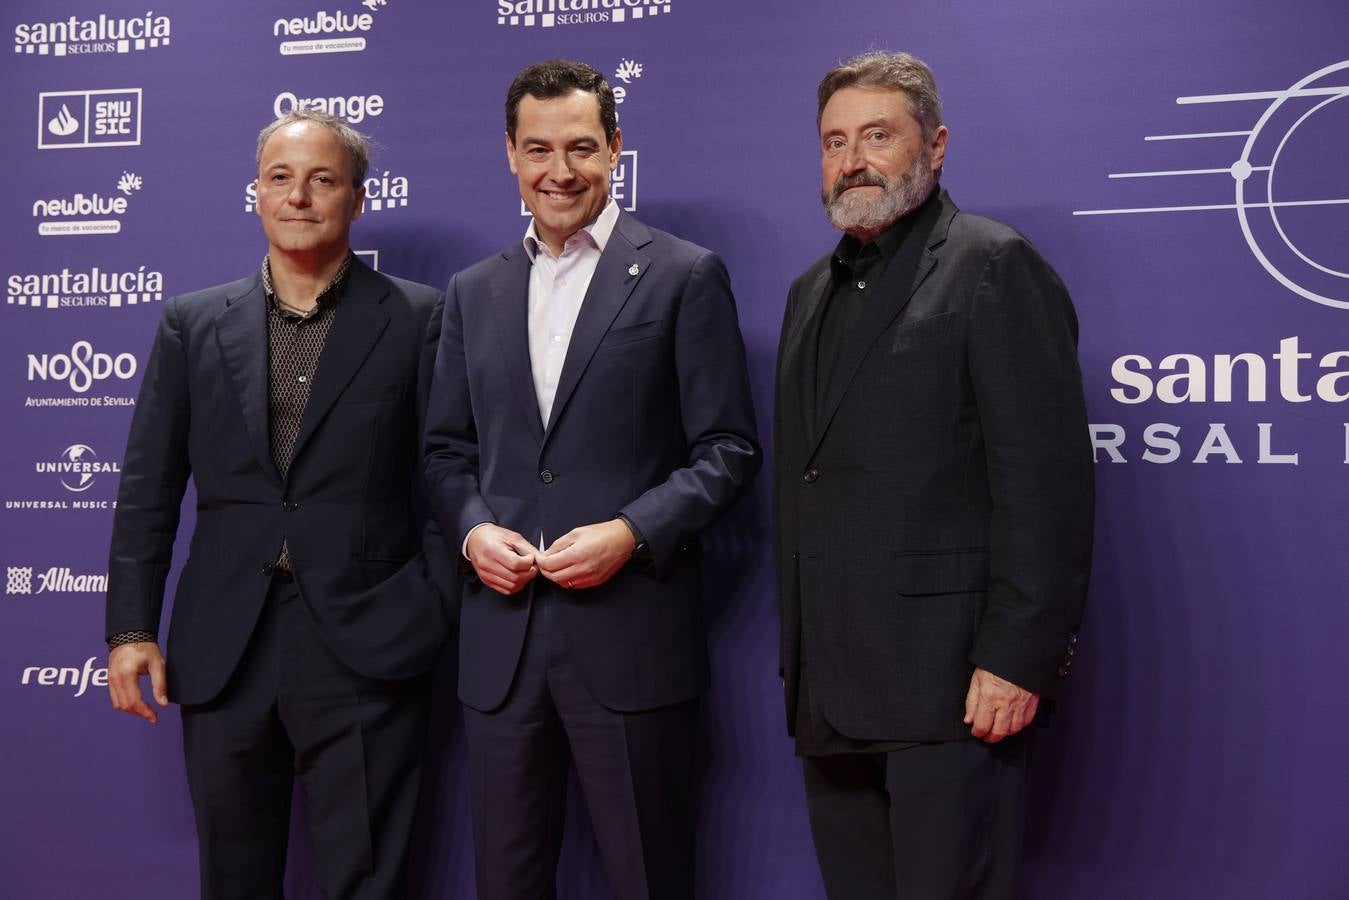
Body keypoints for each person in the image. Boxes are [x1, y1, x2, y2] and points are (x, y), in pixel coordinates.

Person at [423, 59, 760, 900]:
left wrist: (632, 532)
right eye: (537, 149)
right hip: (500, 647)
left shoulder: (684, 275)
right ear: (509, 154)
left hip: (632, 638)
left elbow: (726, 448)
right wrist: (470, 529)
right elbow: (441, 453)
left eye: (580, 147)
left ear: (614, 148)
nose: (558, 171)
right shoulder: (470, 292)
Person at [104, 109, 453, 900]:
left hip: (369, 643)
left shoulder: (420, 318)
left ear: (357, 199)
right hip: (226, 644)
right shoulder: (193, 325)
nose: (299, 196)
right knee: (232, 879)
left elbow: (447, 478)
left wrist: (427, 609)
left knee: (369, 881)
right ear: (256, 193)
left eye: (323, 179)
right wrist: (131, 627)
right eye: (281, 178)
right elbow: (148, 488)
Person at [774, 51, 1094, 899]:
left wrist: (1017, 658)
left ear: (936, 143)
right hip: (829, 690)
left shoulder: (991, 264)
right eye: (834, 141)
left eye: (877, 135)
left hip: (952, 686)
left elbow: (1046, 484)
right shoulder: (810, 291)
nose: (853, 160)